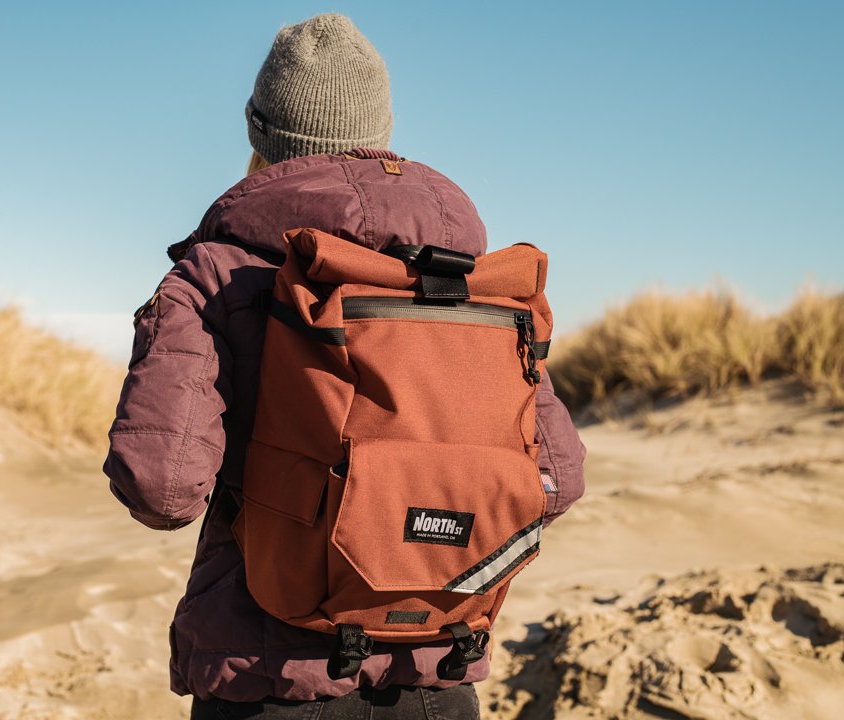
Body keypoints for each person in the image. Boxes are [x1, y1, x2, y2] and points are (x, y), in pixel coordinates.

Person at [104, 13, 586, 719]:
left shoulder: (217, 274)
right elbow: (559, 481)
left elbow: (163, 489)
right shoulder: (467, 284)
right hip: (439, 676)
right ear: (381, 131)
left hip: (268, 672)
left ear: (260, 133)